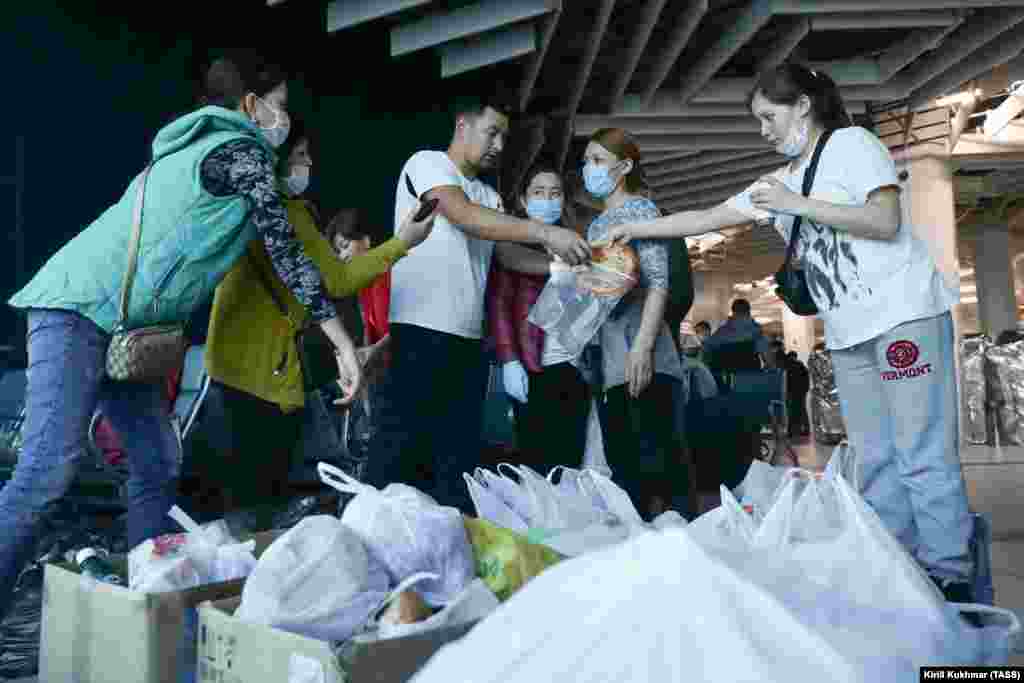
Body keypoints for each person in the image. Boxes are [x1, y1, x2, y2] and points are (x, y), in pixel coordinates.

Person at [0, 51, 380, 619]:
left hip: (123, 327)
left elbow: (282, 239)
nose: (284, 121)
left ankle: (143, 607)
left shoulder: (207, 152)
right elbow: (286, 247)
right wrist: (344, 343)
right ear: (250, 106)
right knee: (47, 470)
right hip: (75, 310)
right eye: (279, 108)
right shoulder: (237, 147)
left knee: (155, 461)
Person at [608, 62, 973, 604]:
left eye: (768, 116)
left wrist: (797, 206)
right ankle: (900, 569)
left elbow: (885, 220)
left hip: (904, 316)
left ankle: (950, 573)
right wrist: (635, 227)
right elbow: (705, 218)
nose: (763, 130)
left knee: (920, 451)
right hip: (849, 334)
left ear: (803, 105)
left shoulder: (852, 144)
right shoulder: (774, 184)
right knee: (874, 459)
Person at [199, 116, 435, 529]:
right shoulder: (285, 212)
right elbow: (338, 280)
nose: (308, 165)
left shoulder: (239, 206)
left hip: (233, 367)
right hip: (261, 377)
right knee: (258, 503)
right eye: (302, 156)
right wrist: (402, 243)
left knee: (241, 499)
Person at [363, 94, 591, 513]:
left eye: (504, 136)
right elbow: (461, 214)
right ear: (462, 126)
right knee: (396, 458)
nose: (499, 145)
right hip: (420, 334)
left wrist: (566, 267)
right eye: (492, 133)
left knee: (457, 465)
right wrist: (546, 233)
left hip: (469, 346)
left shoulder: (490, 195)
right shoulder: (428, 164)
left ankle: (450, 559)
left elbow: (507, 257)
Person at [578, 127, 687, 520]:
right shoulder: (594, 225)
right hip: (611, 361)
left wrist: (642, 348)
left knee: (661, 466)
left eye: (597, 161)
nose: (587, 169)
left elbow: (659, 282)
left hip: (645, 355)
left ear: (624, 166)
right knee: (625, 468)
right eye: (585, 160)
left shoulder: (642, 211)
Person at [485, 161, 589, 474]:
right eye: (539, 192)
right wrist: (509, 360)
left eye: (555, 193)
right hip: (533, 365)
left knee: (571, 459)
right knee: (537, 459)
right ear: (523, 200)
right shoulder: (512, 244)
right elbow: (499, 303)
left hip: (574, 365)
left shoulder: (577, 244)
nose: (548, 200)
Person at [701, 299, 771, 388]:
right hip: (750, 383)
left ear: (733, 312)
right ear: (748, 312)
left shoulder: (720, 333)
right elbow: (769, 362)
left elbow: (705, 356)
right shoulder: (756, 333)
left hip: (724, 385)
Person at [785, 351, 811, 438]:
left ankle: (792, 431)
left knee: (791, 411)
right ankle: (805, 430)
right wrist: (805, 389)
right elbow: (806, 378)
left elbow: (787, 380)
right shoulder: (801, 365)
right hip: (800, 392)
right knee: (802, 410)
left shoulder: (788, 366)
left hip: (792, 392)